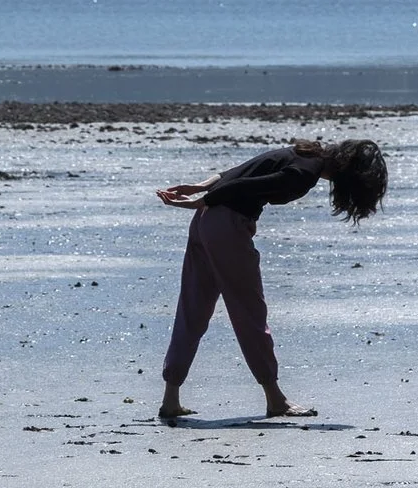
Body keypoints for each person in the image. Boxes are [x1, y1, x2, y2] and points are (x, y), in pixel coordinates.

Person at [155, 137, 388, 421]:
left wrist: (203, 188)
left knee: (192, 308)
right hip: (226, 224)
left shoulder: (300, 153)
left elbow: (241, 170)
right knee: (249, 313)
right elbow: (246, 185)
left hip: (205, 222)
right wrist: (202, 199)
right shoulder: (304, 173)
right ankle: (275, 399)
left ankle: (171, 398)